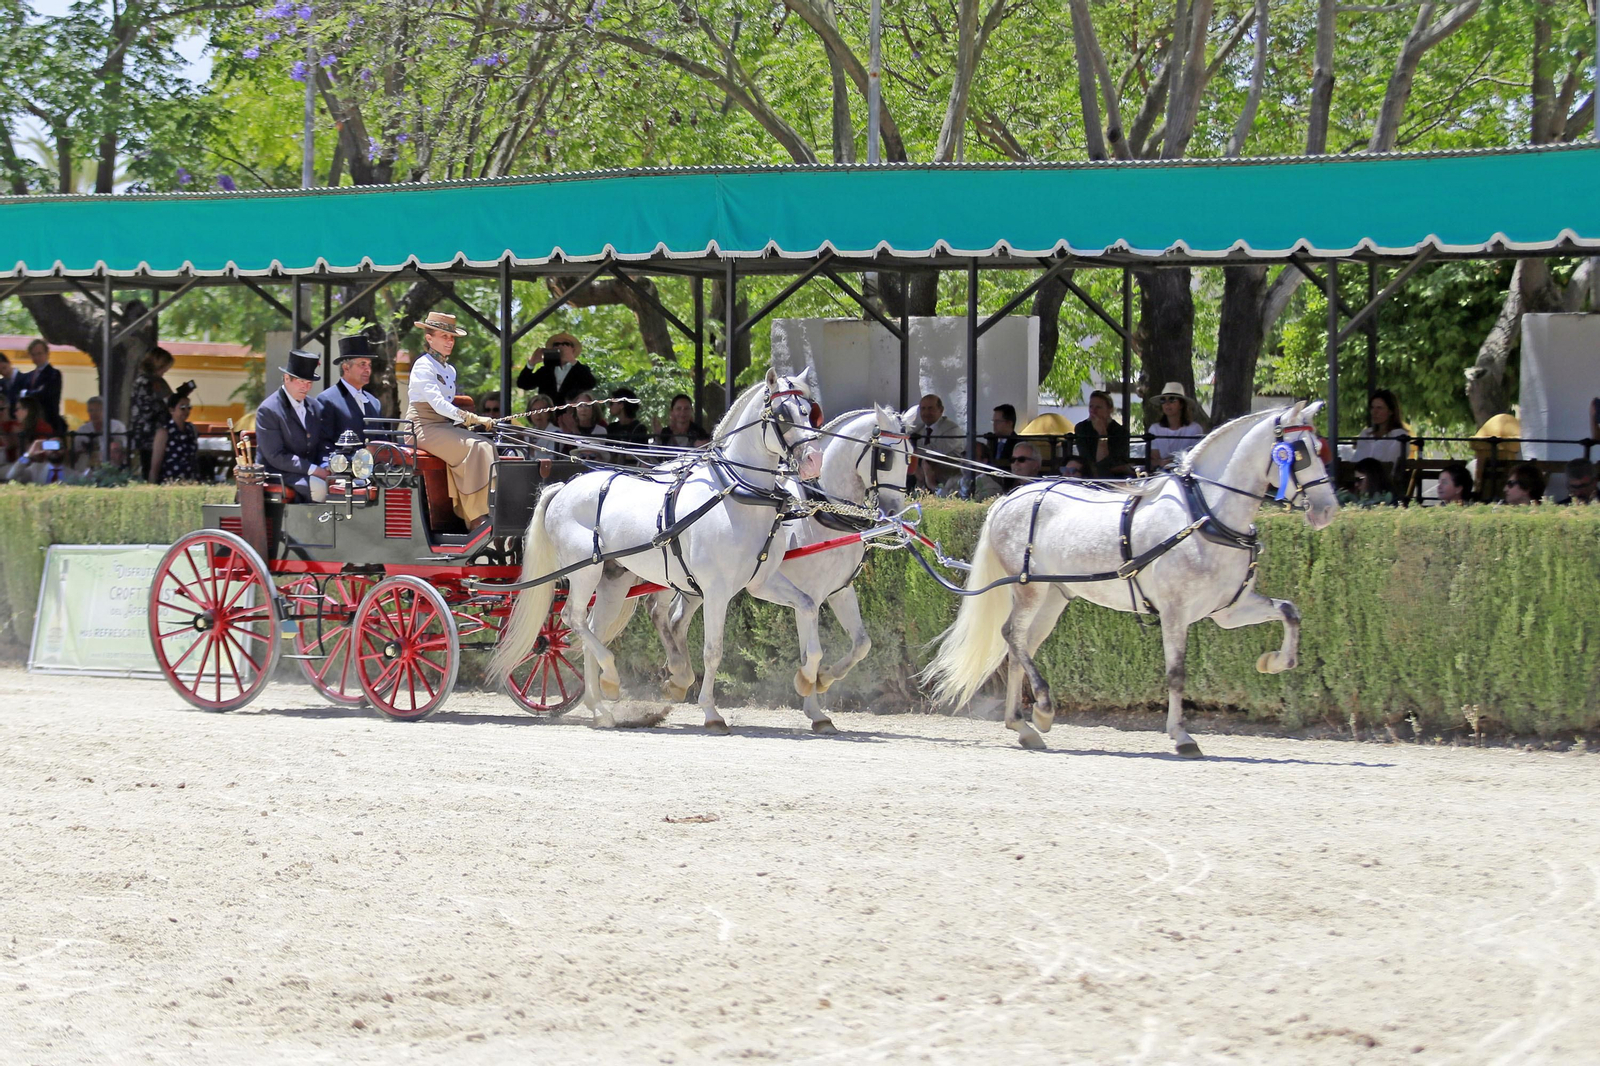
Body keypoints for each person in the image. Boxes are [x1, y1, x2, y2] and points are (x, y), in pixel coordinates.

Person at [407, 311, 497, 532]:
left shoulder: (450, 369)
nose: (449, 342)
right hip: (422, 427)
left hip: (443, 425)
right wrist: (468, 417)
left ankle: (489, 508)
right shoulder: (423, 365)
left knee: (488, 445)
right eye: (444, 336)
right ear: (429, 338)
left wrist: (467, 420)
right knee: (475, 447)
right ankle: (474, 517)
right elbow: (438, 404)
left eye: (451, 337)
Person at [255, 350, 331, 503]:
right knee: (320, 488)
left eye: (309, 383)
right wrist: (313, 470)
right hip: (279, 474)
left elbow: (322, 443)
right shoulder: (269, 410)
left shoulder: (315, 406)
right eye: (300, 382)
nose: (305, 387)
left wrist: (326, 465)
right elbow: (276, 456)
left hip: (309, 472)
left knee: (343, 485)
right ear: (286, 378)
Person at [311, 334, 383, 457]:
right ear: (346, 368)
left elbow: (381, 439)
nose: (368, 370)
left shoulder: (374, 402)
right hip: (342, 466)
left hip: (374, 467)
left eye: (369, 365)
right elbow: (323, 444)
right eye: (362, 364)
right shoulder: (327, 400)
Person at [129, 347, 176, 478]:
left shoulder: (156, 381)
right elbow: (147, 408)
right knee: (149, 466)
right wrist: (166, 407)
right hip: (148, 433)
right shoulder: (144, 382)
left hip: (156, 432)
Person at [517, 331, 596, 405]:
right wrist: (531, 363)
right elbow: (523, 384)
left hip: (571, 413)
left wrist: (572, 360)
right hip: (549, 413)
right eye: (556, 344)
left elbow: (590, 384)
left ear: (573, 349)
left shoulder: (580, 369)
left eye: (565, 344)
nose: (560, 346)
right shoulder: (545, 371)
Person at [1075, 390, 1132, 478]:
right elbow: (1086, 458)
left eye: (1098, 407)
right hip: (1088, 475)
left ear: (1110, 410)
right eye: (1091, 406)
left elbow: (1108, 463)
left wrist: (1102, 434)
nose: (1093, 411)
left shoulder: (1120, 431)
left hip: (1113, 477)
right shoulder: (1081, 428)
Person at [910, 393, 962, 491]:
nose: (926, 412)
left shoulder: (952, 429)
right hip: (922, 478)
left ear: (941, 410)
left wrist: (912, 453)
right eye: (923, 408)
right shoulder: (917, 429)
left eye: (930, 408)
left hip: (947, 478)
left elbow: (935, 451)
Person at [14, 338, 65, 437]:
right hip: (30, 424)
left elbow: (44, 393)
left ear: (47, 354)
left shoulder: (54, 374)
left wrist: (25, 393)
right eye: (33, 354)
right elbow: (17, 394)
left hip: (48, 422)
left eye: (39, 353)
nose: (37, 357)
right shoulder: (28, 376)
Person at [149, 387, 199, 483]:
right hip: (170, 481)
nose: (186, 411)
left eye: (188, 407)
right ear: (172, 410)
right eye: (182, 408)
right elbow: (156, 464)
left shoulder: (191, 429)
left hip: (191, 480)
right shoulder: (164, 432)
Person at [1148, 381, 1204, 467]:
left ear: (1181, 405)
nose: (1167, 404)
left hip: (1187, 471)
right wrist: (1161, 463)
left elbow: (1198, 459)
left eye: (1172, 399)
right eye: (1163, 400)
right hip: (1162, 472)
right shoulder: (1154, 429)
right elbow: (1153, 460)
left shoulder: (1195, 429)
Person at [1353, 389, 1408, 469]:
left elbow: (1391, 462)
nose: (1374, 412)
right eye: (1372, 407)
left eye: (1379, 408)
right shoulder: (1366, 433)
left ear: (1391, 411)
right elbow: (1357, 459)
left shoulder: (1399, 435)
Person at [70, 397, 127, 467]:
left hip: (112, 465)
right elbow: (76, 451)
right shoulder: (83, 429)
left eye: (98, 410)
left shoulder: (117, 426)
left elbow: (123, 448)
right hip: (89, 466)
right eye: (91, 410)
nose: (94, 413)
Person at [3, 436, 71, 484]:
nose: (55, 450)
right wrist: (28, 455)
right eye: (51, 445)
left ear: (66, 450)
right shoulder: (34, 469)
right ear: (45, 449)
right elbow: (11, 477)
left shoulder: (73, 474)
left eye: (60, 446)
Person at [606, 387, 651, 453]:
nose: (609, 406)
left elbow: (640, 454)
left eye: (611, 403)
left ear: (621, 405)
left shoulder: (639, 429)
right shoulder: (611, 428)